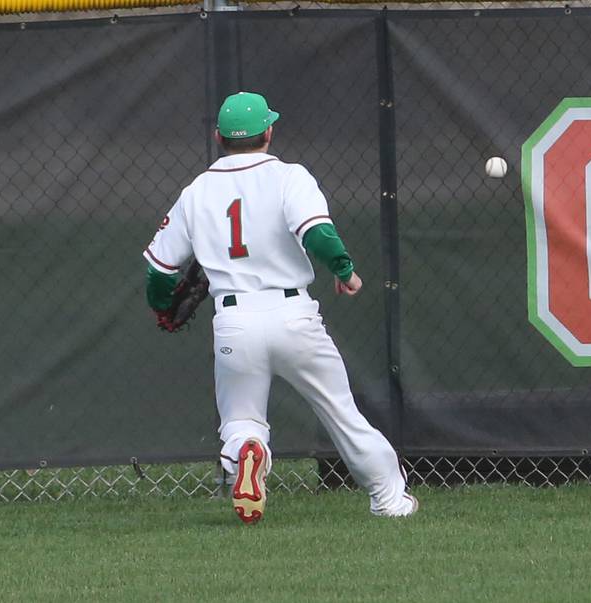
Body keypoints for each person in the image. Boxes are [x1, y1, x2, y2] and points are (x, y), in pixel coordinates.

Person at [142, 91, 417, 524]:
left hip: (234, 319)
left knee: (241, 418)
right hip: (294, 315)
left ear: (218, 137)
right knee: (342, 413)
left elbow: (160, 270)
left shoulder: (196, 192)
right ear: (269, 132)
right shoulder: (289, 176)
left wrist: (162, 306)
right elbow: (318, 236)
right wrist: (345, 271)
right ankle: (390, 500)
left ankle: (248, 455)